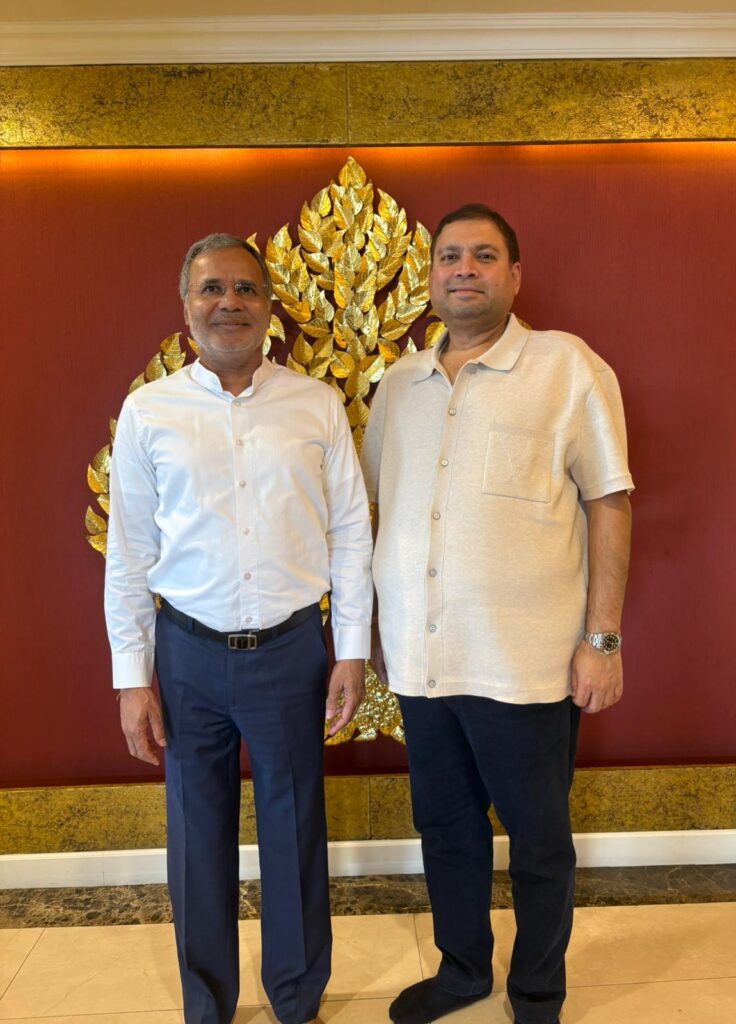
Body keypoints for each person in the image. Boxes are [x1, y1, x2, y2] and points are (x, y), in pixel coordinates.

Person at [361, 204, 633, 1024]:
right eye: (449, 256)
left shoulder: (567, 368)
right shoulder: (397, 387)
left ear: (515, 275)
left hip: (527, 663)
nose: (464, 269)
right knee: (445, 828)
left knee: (538, 839)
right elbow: (381, 510)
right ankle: (462, 969)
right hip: (422, 660)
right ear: (431, 275)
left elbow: (610, 503)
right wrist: (376, 634)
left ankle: (538, 992)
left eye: (484, 256)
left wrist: (603, 641)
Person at [105, 233, 373, 1024]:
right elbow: (129, 555)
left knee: (294, 832)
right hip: (186, 652)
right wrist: (132, 679)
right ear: (186, 308)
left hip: (292, 650)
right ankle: (207, 1003)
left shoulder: (316, 403)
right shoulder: (149, 412)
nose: (230, 302)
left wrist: (350, 651)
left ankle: (295, 1001)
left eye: (246, 289)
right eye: (212, 288)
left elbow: (351, 533)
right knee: (197, 837)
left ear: (269, 307)